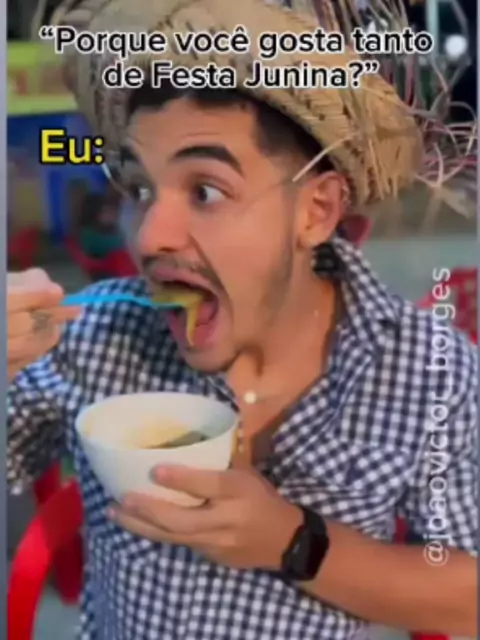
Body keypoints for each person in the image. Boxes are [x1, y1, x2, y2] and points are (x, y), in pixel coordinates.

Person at [8, 1, 477, 639]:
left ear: (316, 211)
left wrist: (291, 541)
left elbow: (467, 596)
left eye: (205, 191)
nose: (149, 236)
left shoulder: (429, 371)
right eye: (140, 189)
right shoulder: (96, 339)